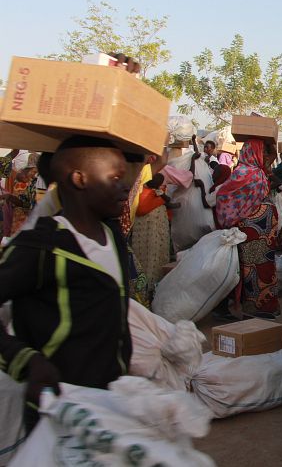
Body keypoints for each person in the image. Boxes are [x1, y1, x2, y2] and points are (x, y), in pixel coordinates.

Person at [0, 136, 133, 430]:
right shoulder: (41, 246)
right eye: (115, 178)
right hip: (57, 412)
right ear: (79, 178)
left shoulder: (112, 239)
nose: (126, 187)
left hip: (107, 406)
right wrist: (27, 361)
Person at [214, 138, 281, 319]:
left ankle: (256, 307)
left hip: (253, 228)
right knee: (258, 268)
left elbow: (222, 195)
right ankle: (260, 308)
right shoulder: (255, 174)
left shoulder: (241, 172)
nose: (268, 157)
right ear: (258, 153)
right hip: (255, 229)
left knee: (251, 268)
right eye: (265, 152)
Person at [131, 172, 176, 308]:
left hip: (143, 233)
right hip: (154, 233)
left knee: (144, 258)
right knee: (154, 258)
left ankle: (144, 289)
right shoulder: (155, 195)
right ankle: (151, 291)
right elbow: (168, 201)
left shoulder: (141, 194)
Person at [2, 166, 37, 237]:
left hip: (27, 221)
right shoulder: (20, 179)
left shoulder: (36, 182)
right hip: (18, 218)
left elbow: (31, 204)